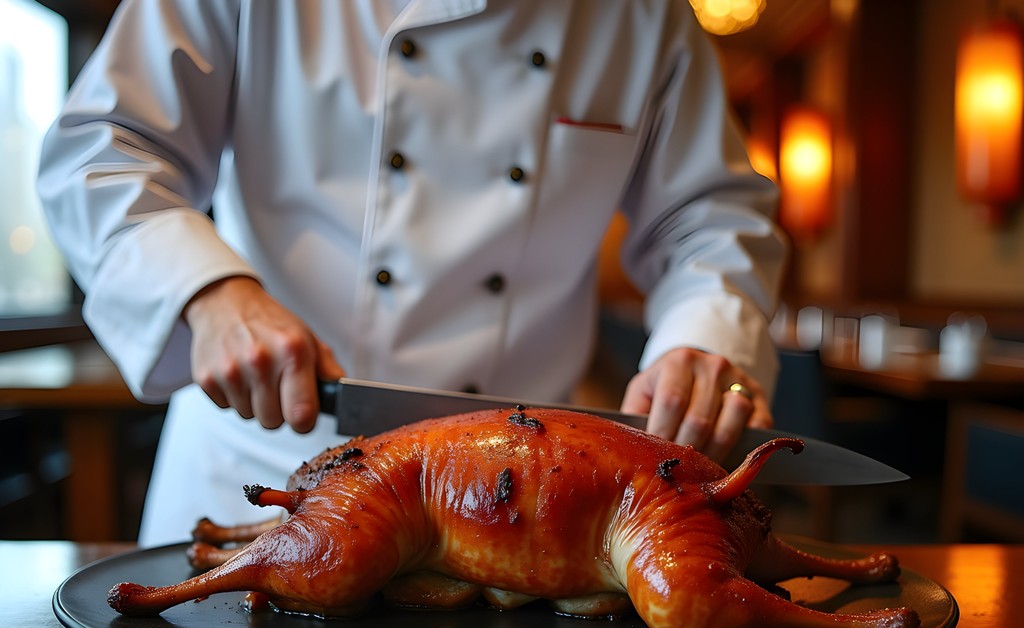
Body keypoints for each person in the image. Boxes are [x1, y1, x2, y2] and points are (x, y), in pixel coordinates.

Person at [38, 0, 787, 547]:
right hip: (265, 476)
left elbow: (709, 216)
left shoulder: (643, 15)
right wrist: (209, 292)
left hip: (519, 500)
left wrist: (706, 332)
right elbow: (101, 151)